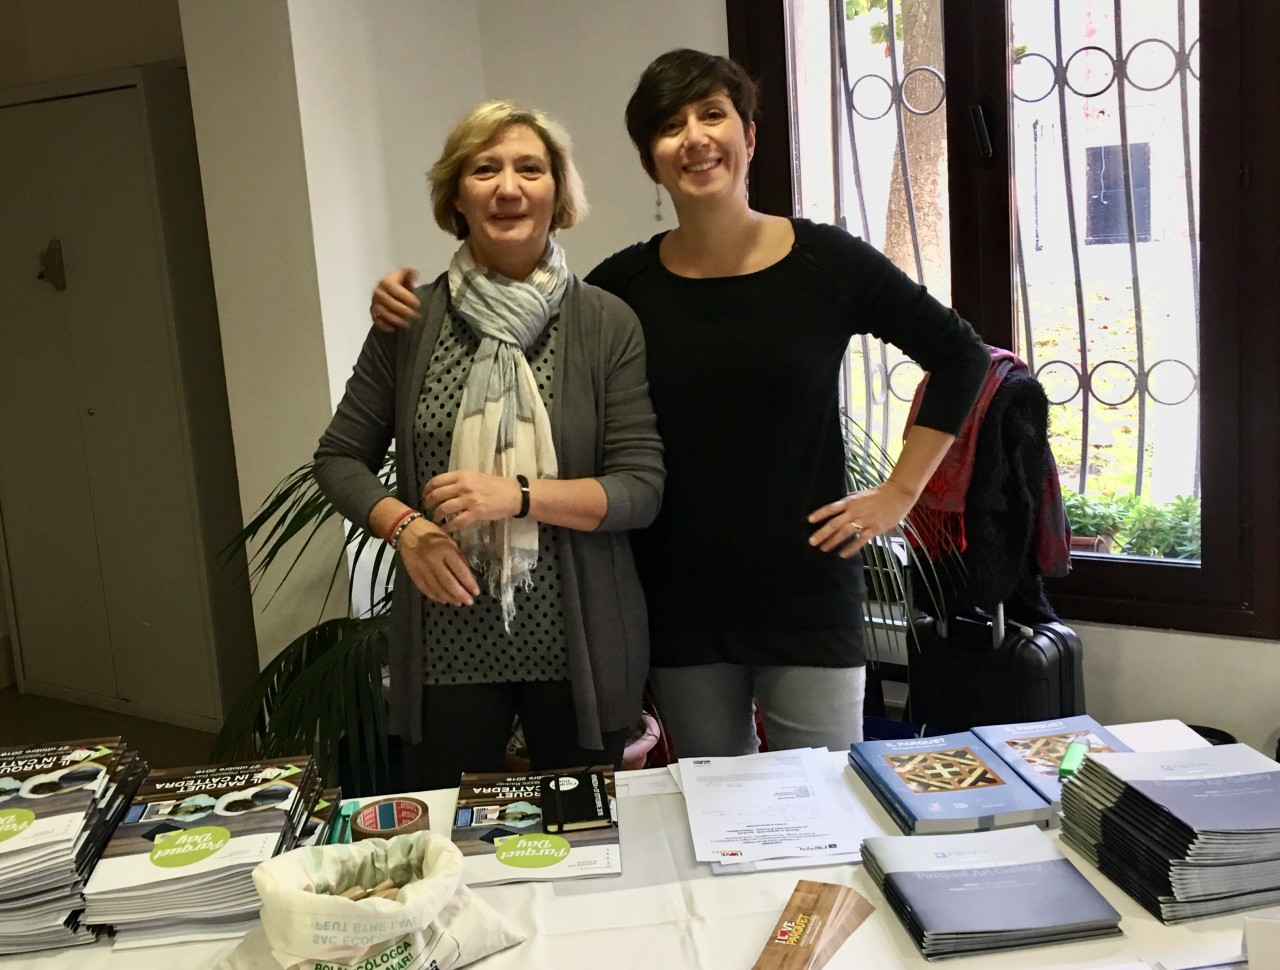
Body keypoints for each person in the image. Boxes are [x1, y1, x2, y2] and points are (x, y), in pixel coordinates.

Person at [369, 51, 987, 759]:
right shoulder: (621, 289)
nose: (694, 138)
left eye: (712, 115)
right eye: (670, 126)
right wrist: (407, 307)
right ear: (651, 160)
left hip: (807, 588)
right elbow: (513, 326)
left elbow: (961, 355)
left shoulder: (827, 263)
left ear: (748, 136)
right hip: (677, 597)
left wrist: (900, 494)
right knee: (714, 805)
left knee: (819, 802)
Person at [314, 101, 664, 790]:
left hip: (582, 644)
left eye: (530, 169)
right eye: (485, 170)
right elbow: (338, 458)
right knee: (449, 838)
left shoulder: (606, 322)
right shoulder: (409, 321)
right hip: (446, 638)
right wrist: (407, 528)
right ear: (456, 196)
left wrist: (517, 495)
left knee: (582, 834)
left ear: (558, 192)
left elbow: (640, 489)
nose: (508, 187)